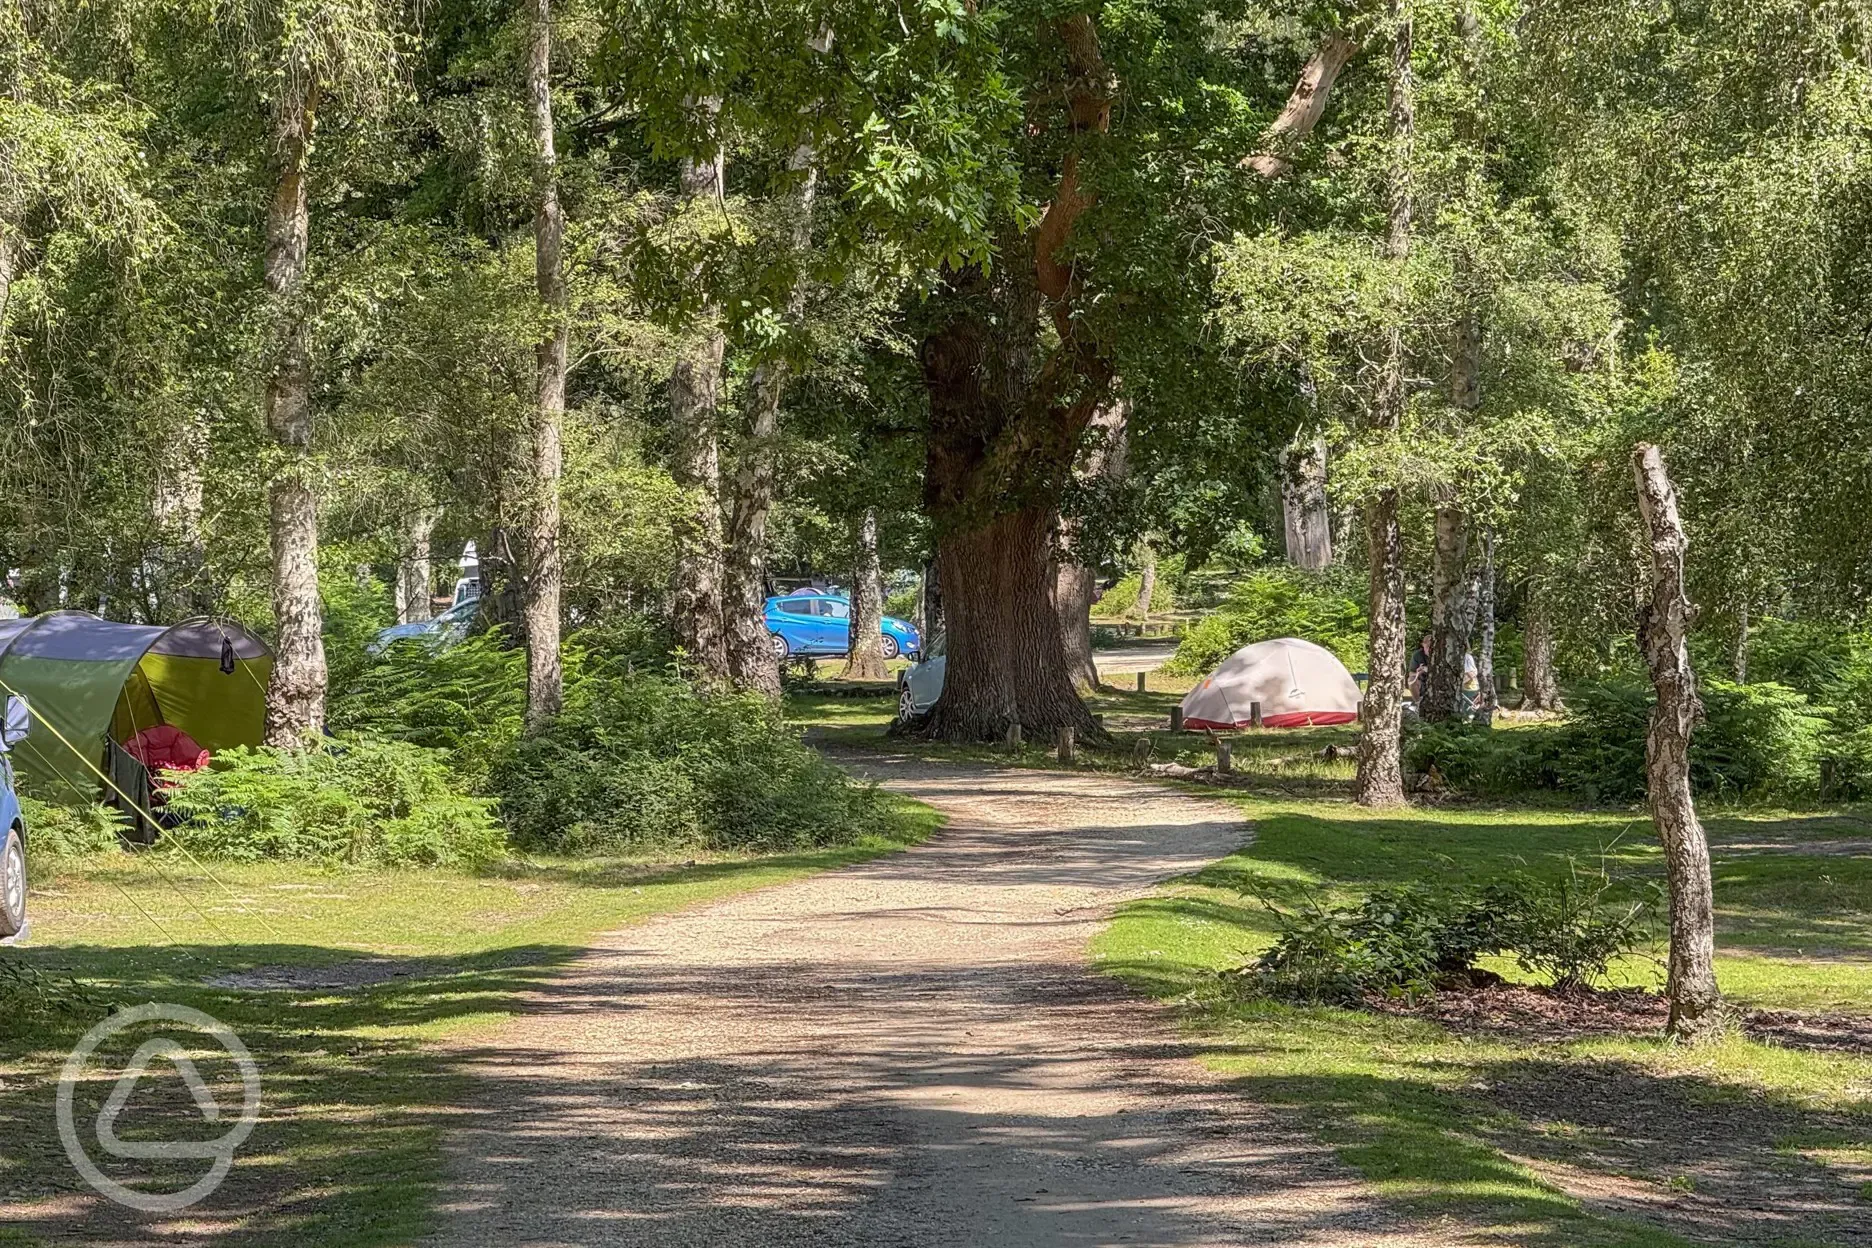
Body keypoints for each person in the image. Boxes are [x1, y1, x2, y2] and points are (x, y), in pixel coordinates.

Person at [1407, 632, 1433, 700]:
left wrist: (1428, 669)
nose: (1430, 650)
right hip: (1423, 683)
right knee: (1411, 680)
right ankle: (1418, 703)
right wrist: (1418, 673)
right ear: (1423, 645)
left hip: (1439, 682)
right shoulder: (1417, 655)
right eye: (1428, 646)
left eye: (1432, 647)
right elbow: (1411, 674)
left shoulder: (1441, 654)